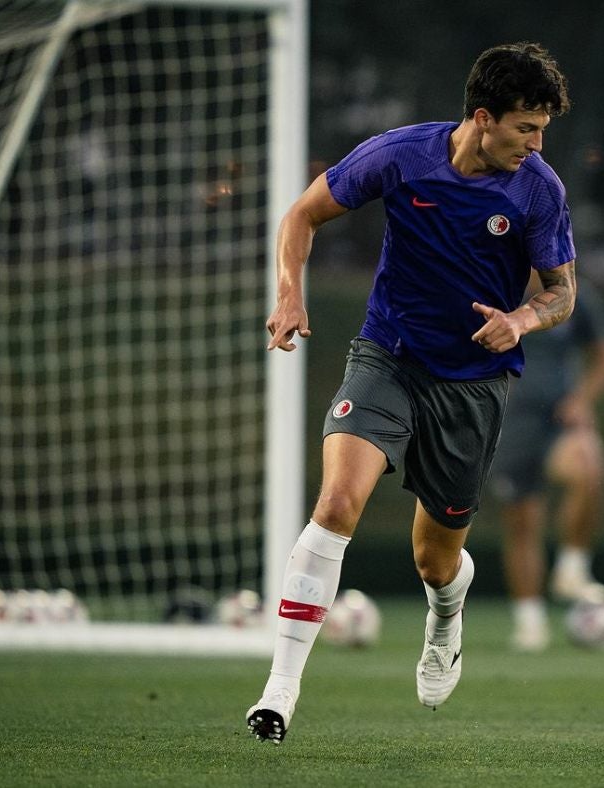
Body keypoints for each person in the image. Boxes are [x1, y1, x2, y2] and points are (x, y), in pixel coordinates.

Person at [248, 42, 576, 744]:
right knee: (336, 503)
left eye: (543, 130)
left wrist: (520, 319)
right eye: (526, 127)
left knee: (435, 558)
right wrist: (288, 294)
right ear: (483, 118)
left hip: (473, 386)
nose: (537, 144)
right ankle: (279, 690)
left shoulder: (538, 190)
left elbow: (561, 292)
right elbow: (300, 216)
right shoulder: (401, 155)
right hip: (387, 357)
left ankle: (446, 614)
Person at [488, 274, 604, 652]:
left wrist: (582, 399)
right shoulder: (492, 287)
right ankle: (529, 622)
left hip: (559, 418)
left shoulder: (573, 293)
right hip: (511, 422)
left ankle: (573, 567)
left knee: (590, 468)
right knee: (522, 523)